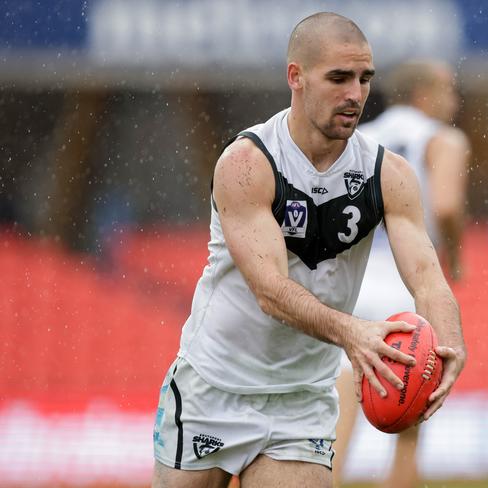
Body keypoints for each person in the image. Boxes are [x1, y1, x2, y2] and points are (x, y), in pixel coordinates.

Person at [152, 13, 466, 488]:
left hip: (302, 399)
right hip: (213, 385)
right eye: (338, 78)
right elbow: (271, 292)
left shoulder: (388, 174)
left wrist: (448, 341)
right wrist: (353, 333)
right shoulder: (247, 163)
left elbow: (427, 277)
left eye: (364, 79)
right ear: (295, 77)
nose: (355, 94)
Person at [332, 60, 470, 488]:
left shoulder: (359, 140)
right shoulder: (444, 139)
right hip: (406, 284)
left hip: (352, 285)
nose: (455, 99)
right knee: (411, 413)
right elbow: (445, 205)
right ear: (424, 94)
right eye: (448, 88)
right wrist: (455, 252)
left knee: (341, 406)